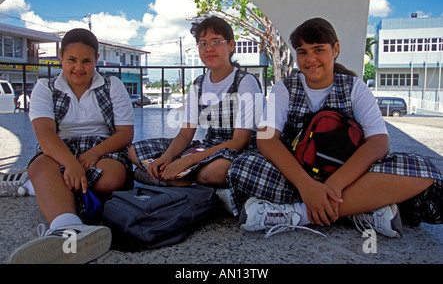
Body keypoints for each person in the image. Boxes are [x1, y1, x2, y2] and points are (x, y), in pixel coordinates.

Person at [229, 17, 442, 238]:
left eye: (318, 49)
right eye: (302, 52)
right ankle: (360, 209)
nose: (310, 59)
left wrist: (334, 184)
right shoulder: (284, 88)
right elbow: (267, 139)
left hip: (348, 175)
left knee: (422, 169)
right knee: (242, 166)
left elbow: (379, 142)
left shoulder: (354, 88)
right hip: (296, 175)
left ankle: (299, 213)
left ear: (335, 49)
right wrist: (307, 186)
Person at [8, 28, 134, 264]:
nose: (79, 68)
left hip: (102, 147)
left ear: (96, 59)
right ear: (60, 57)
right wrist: (71, 164)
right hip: (59, 148)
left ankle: (41, 187)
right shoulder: (45, 87)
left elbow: (125, 133)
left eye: (87, 61)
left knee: (112, 178)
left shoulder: (112, 85)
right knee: (41, 167)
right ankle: (67, 227)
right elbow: (45, 135)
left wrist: (95, 152)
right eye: (72, 60)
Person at [129, 16, 263, 195]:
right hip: (208, 147)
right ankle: (183, 181)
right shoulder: (198, 85)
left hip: (236, 151)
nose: (209, 49)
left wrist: (188, 161)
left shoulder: (245, 82)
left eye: (216, 41)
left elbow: (240, 141)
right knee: (133, 151)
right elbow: (185, 133)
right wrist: (166, 157)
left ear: (231, 46)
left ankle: (172, 180)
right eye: (202, 43)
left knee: (219, 170)